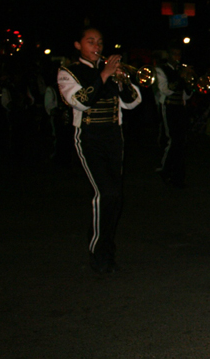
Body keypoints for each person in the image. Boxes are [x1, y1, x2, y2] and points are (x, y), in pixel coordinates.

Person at [57, 27, 142, 273]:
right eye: (90, 41)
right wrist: (104, 75)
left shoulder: (112, 71)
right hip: (89, 137)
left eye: (100, 42)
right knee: (105, 193)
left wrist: (121, 79)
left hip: (114, 135)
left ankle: (107, 248)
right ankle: (99, 253)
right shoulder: (68, 71)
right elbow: (80, 101)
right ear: (77, 45)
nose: (97, 46)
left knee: (116, 196)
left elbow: (132, 102)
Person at [154, 45, 192, 187]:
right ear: (169, 55)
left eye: (179, 54)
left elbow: (186, 96)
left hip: (180, 107)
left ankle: (178, 174)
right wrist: (180, 77)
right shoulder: (161, 69)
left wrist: (188, 82)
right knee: (173, 140)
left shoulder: (179, 70)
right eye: (174, 54)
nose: (177, 57)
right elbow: (165, 90)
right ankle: (165, 169)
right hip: (169, 107)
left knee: (182, 141)